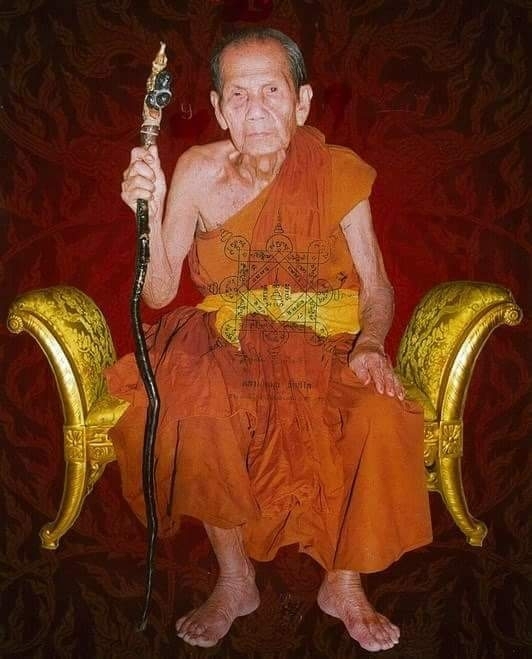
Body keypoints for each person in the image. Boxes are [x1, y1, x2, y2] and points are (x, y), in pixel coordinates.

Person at [110, 28, 432, 652]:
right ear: (217, 108)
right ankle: (235, 583)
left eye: (271, 91)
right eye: (238, 94)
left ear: (301, 102)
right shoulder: (196, 171)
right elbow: (160, 292)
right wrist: (147, 209)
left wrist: (370, 344)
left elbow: (377, 286)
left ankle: (344, 583)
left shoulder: (337, 171)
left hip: (328, 339)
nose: (255, 108)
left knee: (378, 415)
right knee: (194, 405)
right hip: (225, 339)